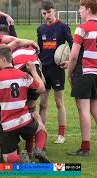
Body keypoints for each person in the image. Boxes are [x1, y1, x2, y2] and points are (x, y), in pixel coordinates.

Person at [0, 45, 50, 163]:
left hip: (7, 124)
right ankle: (39, 149)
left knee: (8, 158)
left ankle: (21, 160)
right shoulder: (24, 75)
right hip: (24, 119)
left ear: (3, 59)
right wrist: (33, 71)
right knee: (40, 128)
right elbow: (42, 88)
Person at [67, 0, 97, 156]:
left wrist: (69, 72)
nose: (79, 11)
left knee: (84, 110)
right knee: (96, 109)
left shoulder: (82, 29)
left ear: (88, 9)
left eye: (80, 8)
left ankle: (85, 147)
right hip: (96, 73)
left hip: (83, 73)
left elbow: (73, 57)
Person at [37, 0, 73, 144]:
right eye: (44, 13)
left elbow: (73, 45)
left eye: (49, 12)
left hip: (57, 70)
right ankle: (41, 133)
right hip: (44, 71)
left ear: (54, 11)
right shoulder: (40, 29)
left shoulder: (63, 27)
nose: (47, 15)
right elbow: (39, 48)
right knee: (43, 104)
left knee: (59, 102)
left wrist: (69, 61)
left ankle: (61, 134)